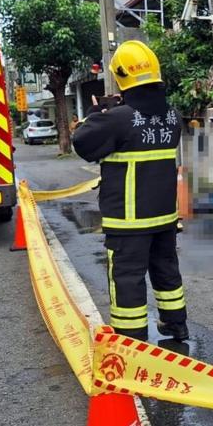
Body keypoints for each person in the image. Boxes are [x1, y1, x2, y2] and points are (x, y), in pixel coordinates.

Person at [72, 41, 188, 342]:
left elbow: (83, 143)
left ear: (122, 77)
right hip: (164, 216)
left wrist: (98, 111)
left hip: (129, 220)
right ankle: (176, 325)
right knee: (166, 271)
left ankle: (132, 339)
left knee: (127, 278)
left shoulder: (116, 118)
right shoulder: (172, 116)